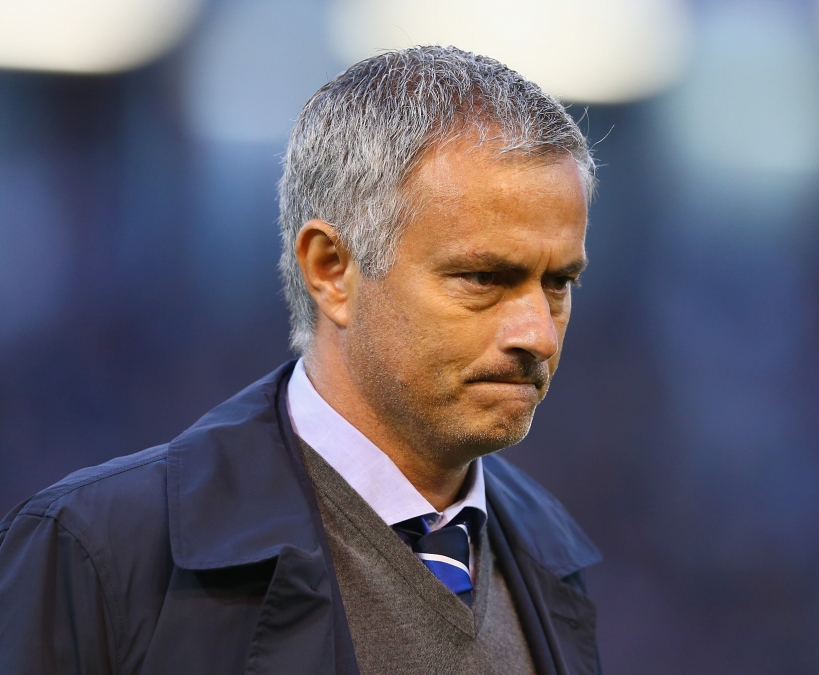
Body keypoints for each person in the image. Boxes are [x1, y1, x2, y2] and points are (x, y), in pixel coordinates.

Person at [0, 46, 601, 674]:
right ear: (331, 270)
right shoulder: (98, 550)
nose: (538, 333)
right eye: (483, 277)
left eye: (559, 284)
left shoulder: (550, 553)